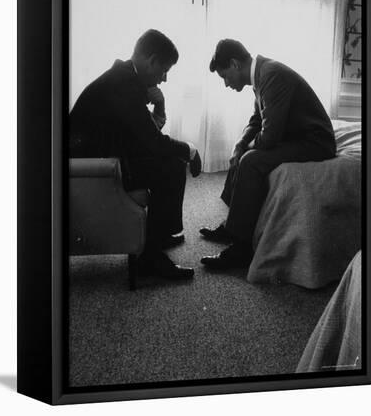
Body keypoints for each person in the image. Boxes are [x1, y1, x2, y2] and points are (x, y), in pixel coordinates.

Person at [70, 29, 202, 280]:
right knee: (172, 167)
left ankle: (159, 236)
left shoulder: (124, 78)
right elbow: (152, 141)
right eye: (164, 71)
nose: (164, 79)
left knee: (170, 162)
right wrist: (190, 150)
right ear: (151, 61)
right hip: (94, 172)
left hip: (102, 161)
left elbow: (142, 135)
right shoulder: (124, 85)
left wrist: (160, 106)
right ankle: (150, 258)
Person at [200, 39, 336, 270]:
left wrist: (247, 149)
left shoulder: (271, 75)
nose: (225, 84)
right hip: (296, 135)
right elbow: (257, 121)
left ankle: (242, 248)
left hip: (315, 142)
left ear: (234, 64)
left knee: (251, 161)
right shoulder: (261, 75)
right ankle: (232, 226)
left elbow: (270, 136)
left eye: (225, 77)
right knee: (242, 152)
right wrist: (240, 144)